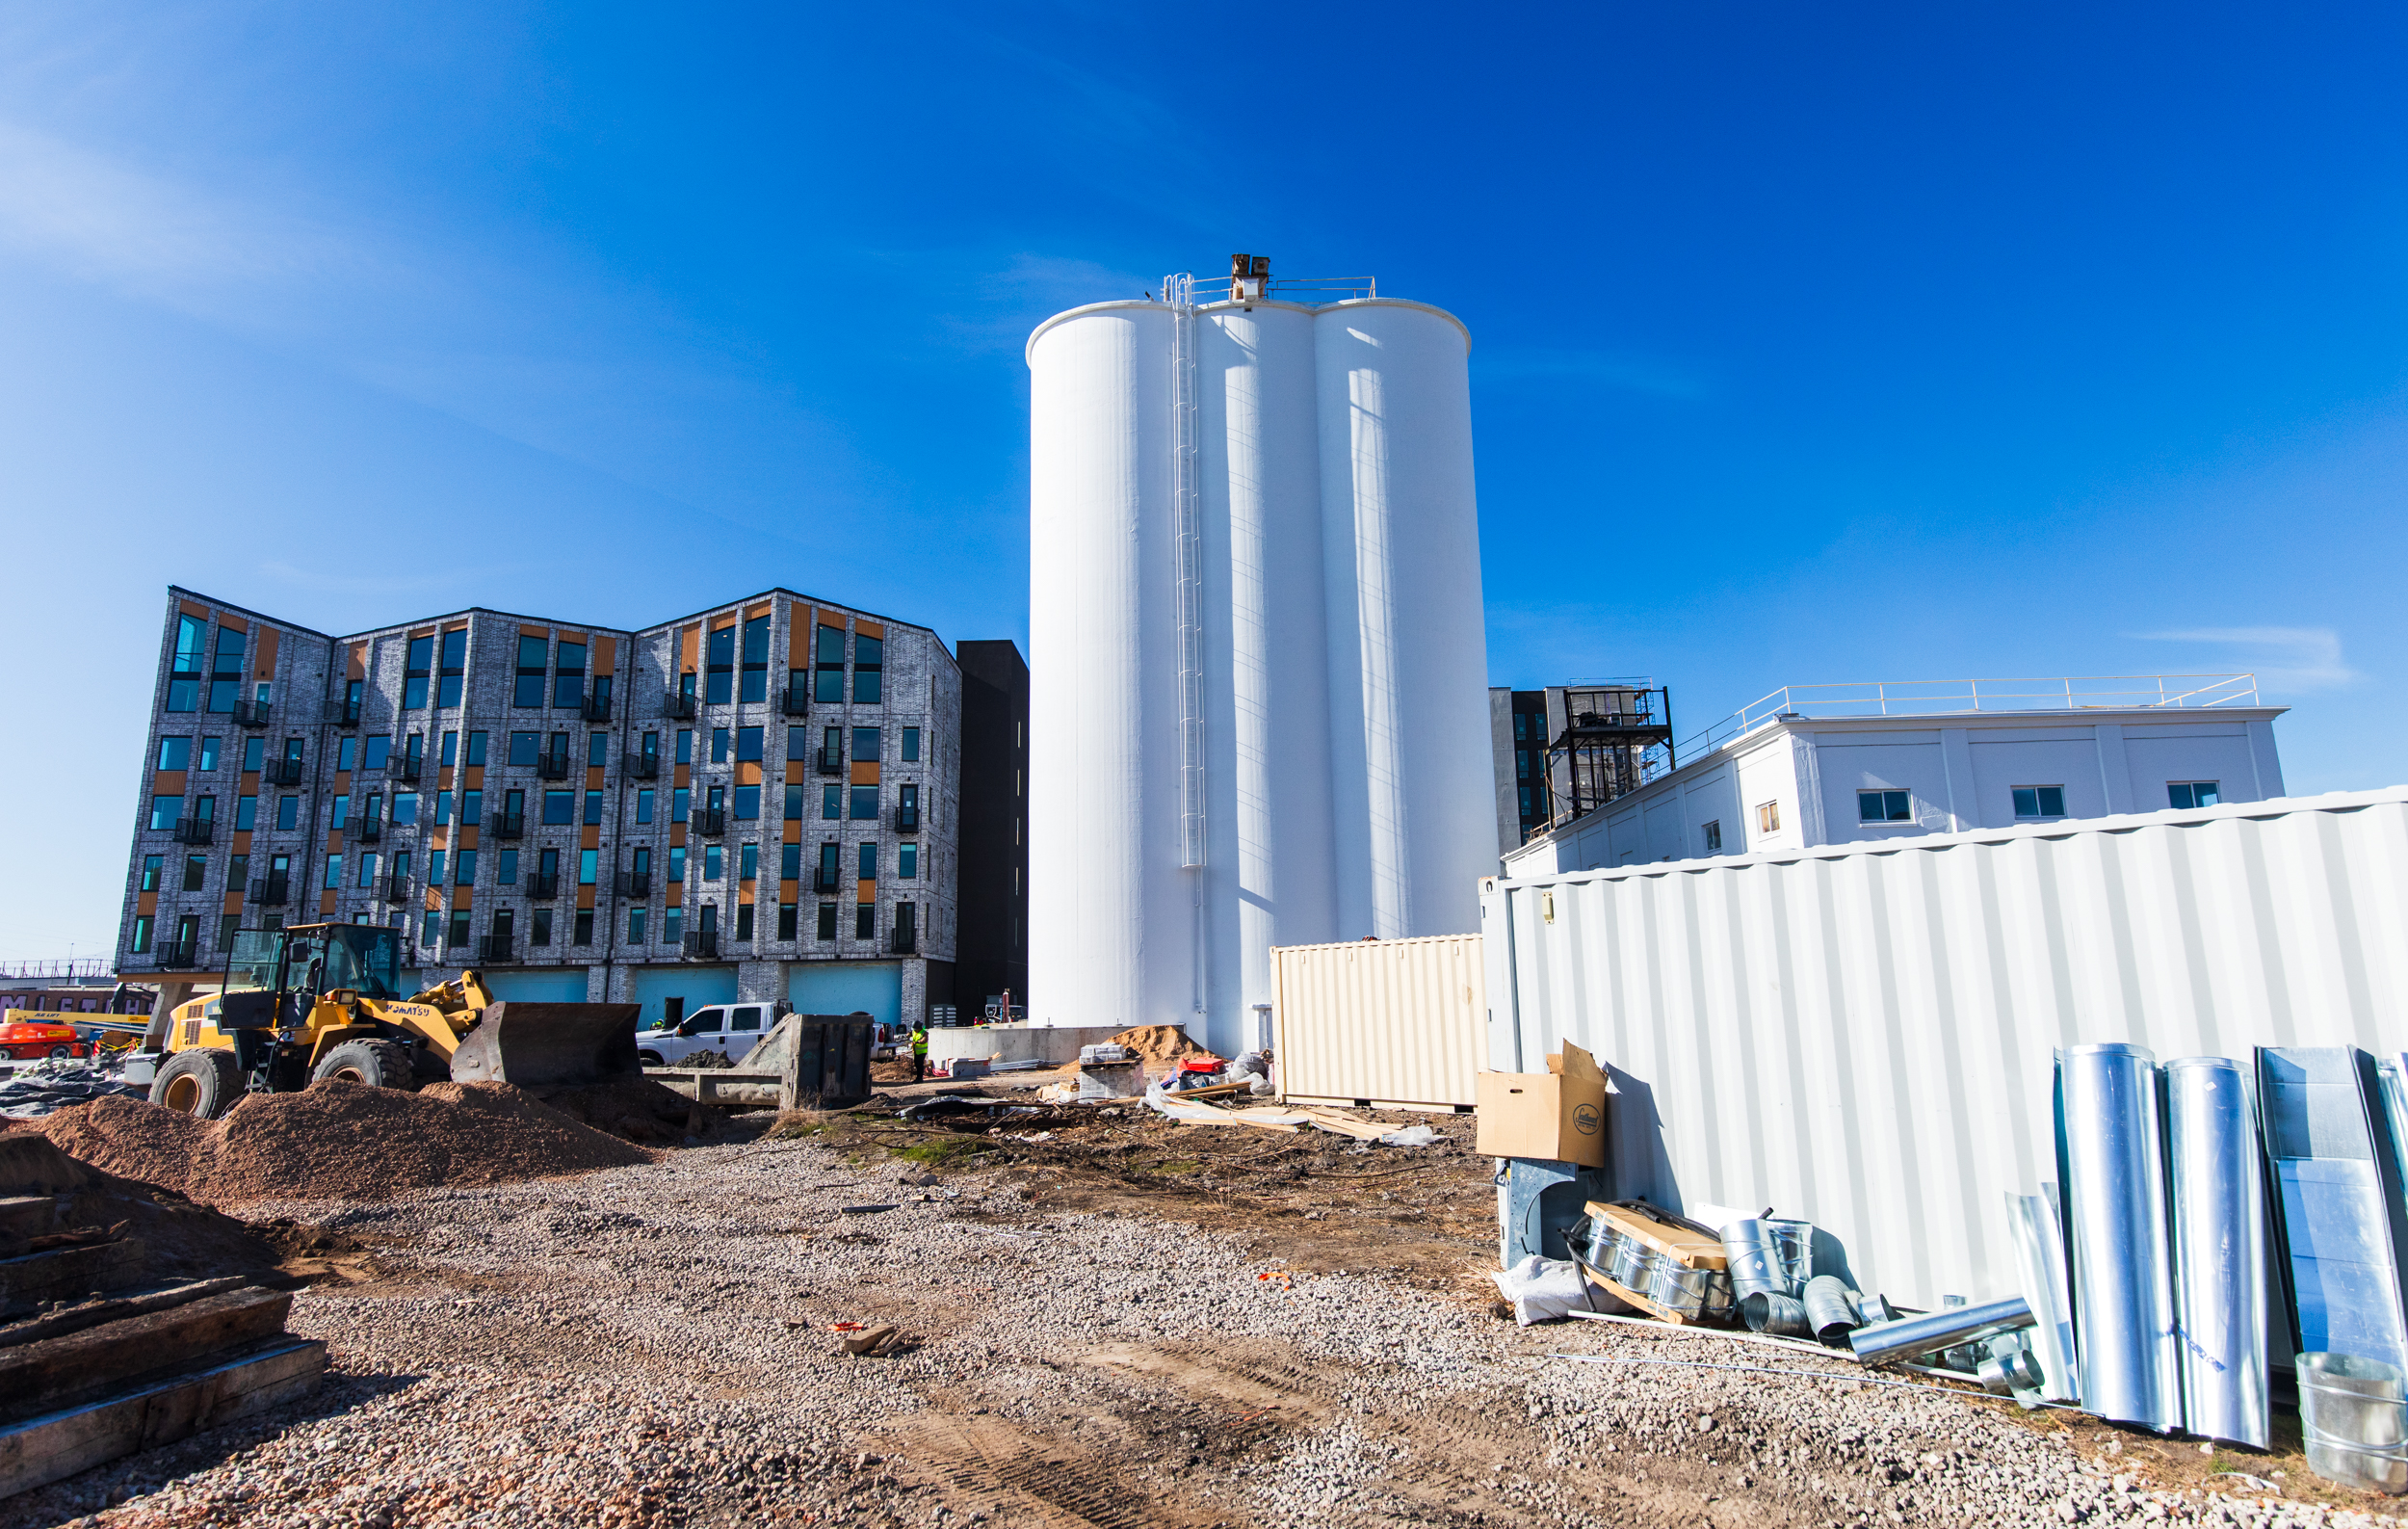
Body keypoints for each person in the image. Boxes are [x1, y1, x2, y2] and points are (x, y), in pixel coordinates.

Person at [910, 1019, 929, 1083]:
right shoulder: (914, 1031)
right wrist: (907, 1035)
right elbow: (910, 1033)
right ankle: (918, 1078)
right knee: (916, 1063)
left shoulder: (924, 1033)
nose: (915, 1030)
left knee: (920, 1065)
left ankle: (920, 1078)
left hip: (922, 1052)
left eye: (916, 1029)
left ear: (919, 1028)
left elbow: (924, 1040)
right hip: (916, 1051)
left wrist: (918, 1042)